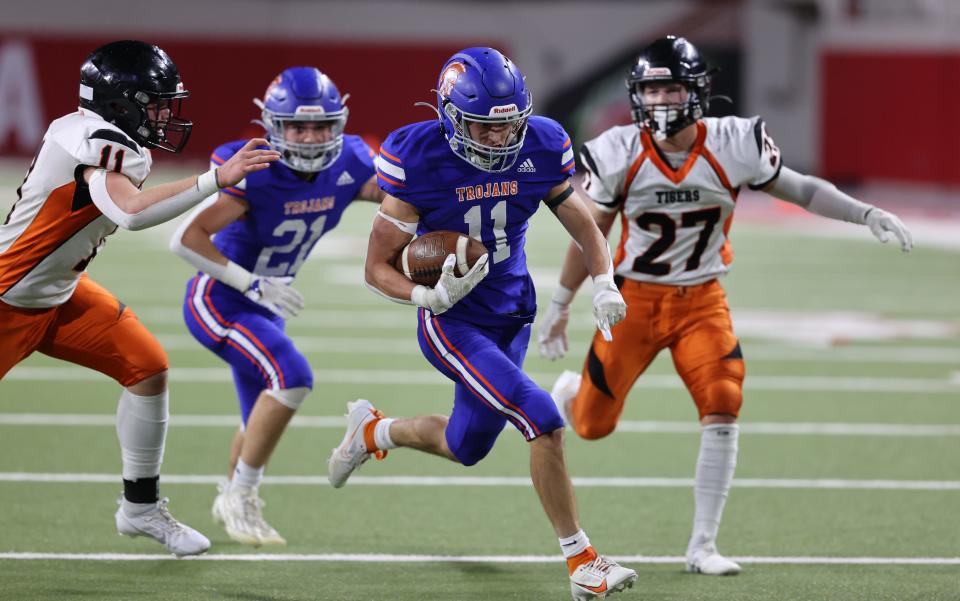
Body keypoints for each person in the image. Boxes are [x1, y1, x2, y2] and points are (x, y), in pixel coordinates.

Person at [538, 36, 914, 576]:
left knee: (723, 399)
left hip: (702, 300)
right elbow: (591, 232)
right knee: (593, 427)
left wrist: (865, 213)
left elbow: (802, 190)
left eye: (670, 88)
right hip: (635, 301)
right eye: (651, 90)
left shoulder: (735, 142)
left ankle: (702, 546)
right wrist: (561, 304)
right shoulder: (619, 149)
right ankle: (575, 396)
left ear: (696, 91)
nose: (661, 101)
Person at [328, 47, 638, 600]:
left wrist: (604, 280)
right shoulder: (417, 156)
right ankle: (583, 562)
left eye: (509, 126)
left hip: (513, 311)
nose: (500, 140)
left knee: (466, 445)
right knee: (541, 417)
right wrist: (427, 293)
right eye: (483, 128)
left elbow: (585, 225)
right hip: (453, 322)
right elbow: (376, 267)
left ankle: (373, 431)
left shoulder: (541, 144)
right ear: (450, 117)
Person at [0, 40, 279, 556]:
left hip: (57, 292)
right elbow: (127, 211)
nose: (162, 114)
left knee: (146, 367)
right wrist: (215, 179)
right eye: (153, 102)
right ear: (119, 102)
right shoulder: (99, 143)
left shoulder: (97, 133)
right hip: (9, 299)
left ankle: (141, 509)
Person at [169, 66, 382, 547]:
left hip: (266, 307)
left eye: (321, 125)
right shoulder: (256, 169)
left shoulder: (349, 160)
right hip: (221, 298)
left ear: (339, 123)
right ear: (273, 125)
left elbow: (391, 196)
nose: (310, 137)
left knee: (256, 420)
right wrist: (253, 284)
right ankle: (239, 495)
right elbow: (186, 238)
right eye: (298, 127)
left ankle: (235, 496)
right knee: (292, 376)